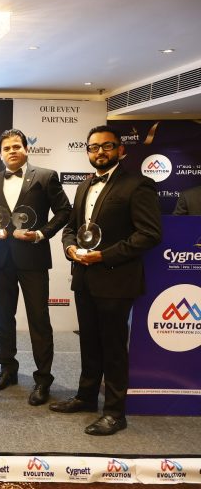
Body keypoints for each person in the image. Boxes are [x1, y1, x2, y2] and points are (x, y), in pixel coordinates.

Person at [50, 125, 162, 436]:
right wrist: (70, 248)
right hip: (84, 277)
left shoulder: (138, 185)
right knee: (89, 341)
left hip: (116, 280)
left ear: (120, 150)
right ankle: (86, 397)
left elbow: (149, 234)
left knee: (113, 347)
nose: (100, 152)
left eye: (107, 146)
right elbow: (71, 228)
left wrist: (103, 256)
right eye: (93, 147)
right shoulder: (84, 185)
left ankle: (114, 412)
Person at [0, 129, 71, 406]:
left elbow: (65, 211)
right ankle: (7, 369)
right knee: (3, 318)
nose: (12, 151)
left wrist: (41, 234)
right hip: (1, 259)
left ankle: (43, 379)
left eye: (16, 146)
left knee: (38, 319)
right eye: (6, 148)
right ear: (0, 154)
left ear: (26, 149)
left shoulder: (45, 176)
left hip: (33, 258)